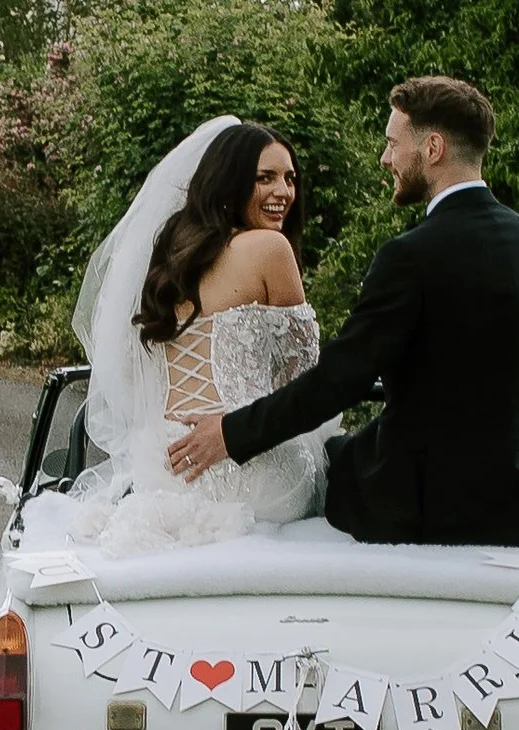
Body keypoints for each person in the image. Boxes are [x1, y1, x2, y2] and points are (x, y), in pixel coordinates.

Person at [168, 74, 519, 544]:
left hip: (408, 507)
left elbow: (338, 381)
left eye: (394, 144)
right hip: (507, 509)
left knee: (329, 459)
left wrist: (231, 434)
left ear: (432, 148)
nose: (385, 157)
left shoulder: (410, 256)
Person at [32, 115, 329, 553]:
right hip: (246, 466)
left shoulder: (171, 255)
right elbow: (303, 379)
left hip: (163, 464)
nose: (283, 192)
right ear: (231, 182)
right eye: (265, 178)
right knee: (323, 461)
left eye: (290, 178)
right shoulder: (271, 249)